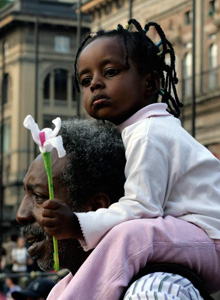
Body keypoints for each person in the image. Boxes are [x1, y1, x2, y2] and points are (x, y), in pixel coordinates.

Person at [34, 18, 220, 297]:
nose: (95, 83)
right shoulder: (141, 130)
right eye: (85, 80)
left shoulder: (147, 132)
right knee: (92, 261)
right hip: (195, 239)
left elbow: (143, 209)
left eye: (110, 72)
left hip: (210, 242)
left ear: (150, 84)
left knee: (129, 236)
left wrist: (77, 223)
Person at [16, 119, 205, 299]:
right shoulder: (62, 291)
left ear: (97, 207)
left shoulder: (151, 291)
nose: (21, 214)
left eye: (39, 197)